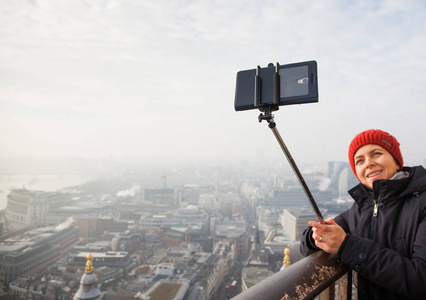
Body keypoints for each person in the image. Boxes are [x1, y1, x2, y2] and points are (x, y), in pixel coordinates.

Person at [300, 129, 426, 299]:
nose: (368, 163)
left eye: (376, 154)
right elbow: (305, 247)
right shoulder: (359, 210)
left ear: (397, 162)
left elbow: (421, 280)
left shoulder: (422, 204)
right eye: (360, 161)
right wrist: (316, 235)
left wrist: (347, 246)